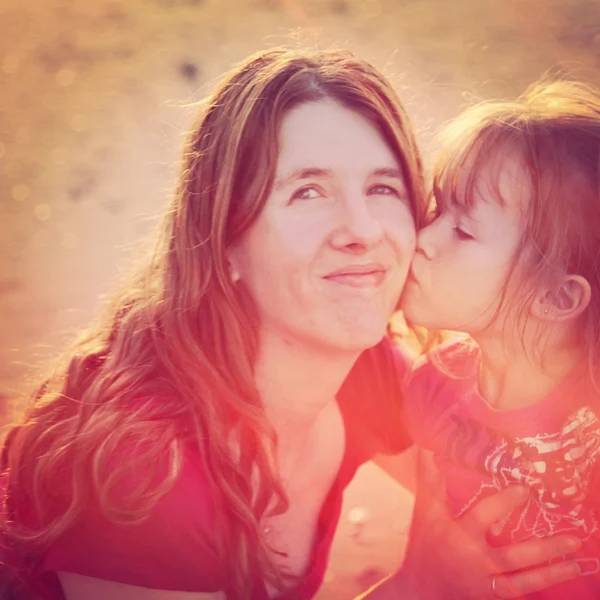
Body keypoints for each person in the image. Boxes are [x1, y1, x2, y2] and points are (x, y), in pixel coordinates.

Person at [0, 49, 582, 600]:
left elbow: (493, 479)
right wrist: (417, 584)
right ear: (225, 241)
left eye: (382, 187)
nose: (361, 230)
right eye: (307, 192)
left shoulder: (364, 371)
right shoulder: (144, 473)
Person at [399, 78, 600, 599]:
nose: (422, 239)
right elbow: (426, 551)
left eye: (463, 230)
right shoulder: (431, 388)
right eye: (439, 210)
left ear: (556, 298)